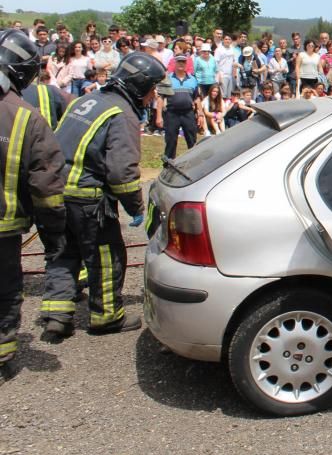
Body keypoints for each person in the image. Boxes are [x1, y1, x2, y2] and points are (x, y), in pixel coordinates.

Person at [39, 51, 164, 340]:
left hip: (56, 192)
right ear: (140, 85)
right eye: (152, 88)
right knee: (107, 255)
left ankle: (57, 316)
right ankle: (106, 317)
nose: (153, 96)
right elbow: (121, 173)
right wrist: (136, 206)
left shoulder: (86, 101)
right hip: (88, 199)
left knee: (63, 253)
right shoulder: (123, 114)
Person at [0, 30, 67, 379]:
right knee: (5, 294)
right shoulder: (25, 117)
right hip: (3, 231)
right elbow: (47, 187)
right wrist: (54, 234)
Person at [157, 53, 199, 159]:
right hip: (172, 113)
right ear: (175, 63)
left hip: (188, 113)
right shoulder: (167, 79)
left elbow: (197, 98)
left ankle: (194, 164)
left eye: (183, 62)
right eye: (179, 61)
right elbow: (160, 98)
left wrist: (201, 114)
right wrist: (159, 116)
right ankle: (168, 165)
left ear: (186, 64)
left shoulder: (192, 79)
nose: (181, 64)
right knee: (171, 141)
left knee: (192, 140)